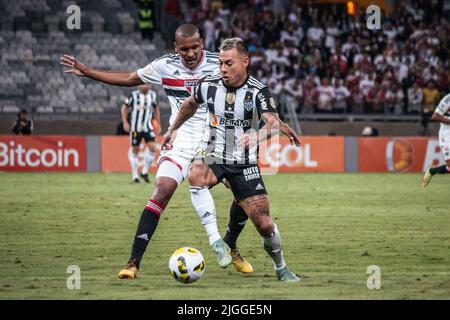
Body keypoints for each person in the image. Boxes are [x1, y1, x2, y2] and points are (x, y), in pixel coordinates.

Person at [60, 24, 252, 279]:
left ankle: (230, 244)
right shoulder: (164, 65)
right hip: (180, 138)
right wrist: (89, 72)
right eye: (184, 49)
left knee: (244, 195)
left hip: (215, 139)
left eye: (195, 47)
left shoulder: (220, 64)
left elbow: (244, 85)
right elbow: (129, 79)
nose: (191, 53)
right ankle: (132, 263)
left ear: (202, 43)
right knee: (161, 191)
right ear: (176, 48)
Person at [162, 38, 301, 282]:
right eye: (221, 63)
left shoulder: (258, 90)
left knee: (264, 224)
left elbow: (272, 123)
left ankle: (280, 267)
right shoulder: (208, 84)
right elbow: (190, 104)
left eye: (229, 63)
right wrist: (173, 129)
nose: (223, 68)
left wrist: (257, 136)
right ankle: (216, 241)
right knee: (195, 175)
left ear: (245, 62)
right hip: (214, 153)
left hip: (244, 163)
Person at [121, 84, 160, 183]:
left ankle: (144, 171)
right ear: (139, 86)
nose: (145, 86)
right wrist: (125, 122)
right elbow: (124, 108)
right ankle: (135, 176)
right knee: (135, 150)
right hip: (135, 128)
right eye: (143, 84)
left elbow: (156, 109)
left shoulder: (153, 95)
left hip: (148, 127)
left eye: (147, 84)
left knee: (153, 147)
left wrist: (158, 123)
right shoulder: (133, 95)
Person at [422, 93, 450, 186]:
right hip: (447, 135)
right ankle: (432, 171)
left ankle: (433, 171)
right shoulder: (448, 99)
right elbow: (435, 116)